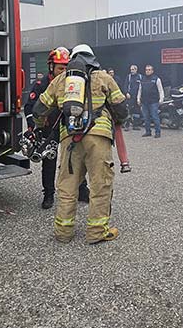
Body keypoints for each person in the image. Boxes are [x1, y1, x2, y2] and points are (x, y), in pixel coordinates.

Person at [33, 44, 128, 244]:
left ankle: (63, 232)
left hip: (69, 138)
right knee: (100, 184)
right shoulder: (103, 77)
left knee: (68, 186)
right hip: (98, 138)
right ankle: (96, 232)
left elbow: (39, 109)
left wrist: (40, 127)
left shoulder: (60, 80)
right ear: (93, 59)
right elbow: (122, 109)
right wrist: (116, 119)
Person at [23, 47, 90, 209]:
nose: (64, 71)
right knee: (49, 161)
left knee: (75, 159)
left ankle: (81, 189)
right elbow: (29, 108)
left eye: (67, 67)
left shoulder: (74, 83)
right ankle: (48, 194)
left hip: (68, 126)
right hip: (49, 129)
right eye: (61, 68)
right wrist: (34, 126)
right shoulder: (41, 85)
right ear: (51, 67)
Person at [137, 64, 163, 138]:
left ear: (152, 71)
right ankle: (148, 132)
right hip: (144, 102)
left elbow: (160, 90)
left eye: (149, 70)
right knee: (146, 118)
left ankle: (158, 132)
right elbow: (140, 90)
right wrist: (138, 99)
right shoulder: (143, 79)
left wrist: (161, 99)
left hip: (154, 102)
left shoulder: (156, 79)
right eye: (146, 70)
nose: (147, 71)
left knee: (155, 117)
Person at [124, 65, 142, 131]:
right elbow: (125, 85)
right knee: (129, 112)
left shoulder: (140, 77)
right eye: (131, 69)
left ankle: (136, 125)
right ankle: (127, 126)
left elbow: (142, 87)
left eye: (133, 69)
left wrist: (140, 97)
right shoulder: (128, 77)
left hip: (137, 97)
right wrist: (126, 93)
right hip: (130, 97)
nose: (132, 71)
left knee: (137, 112)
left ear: (136, 70)